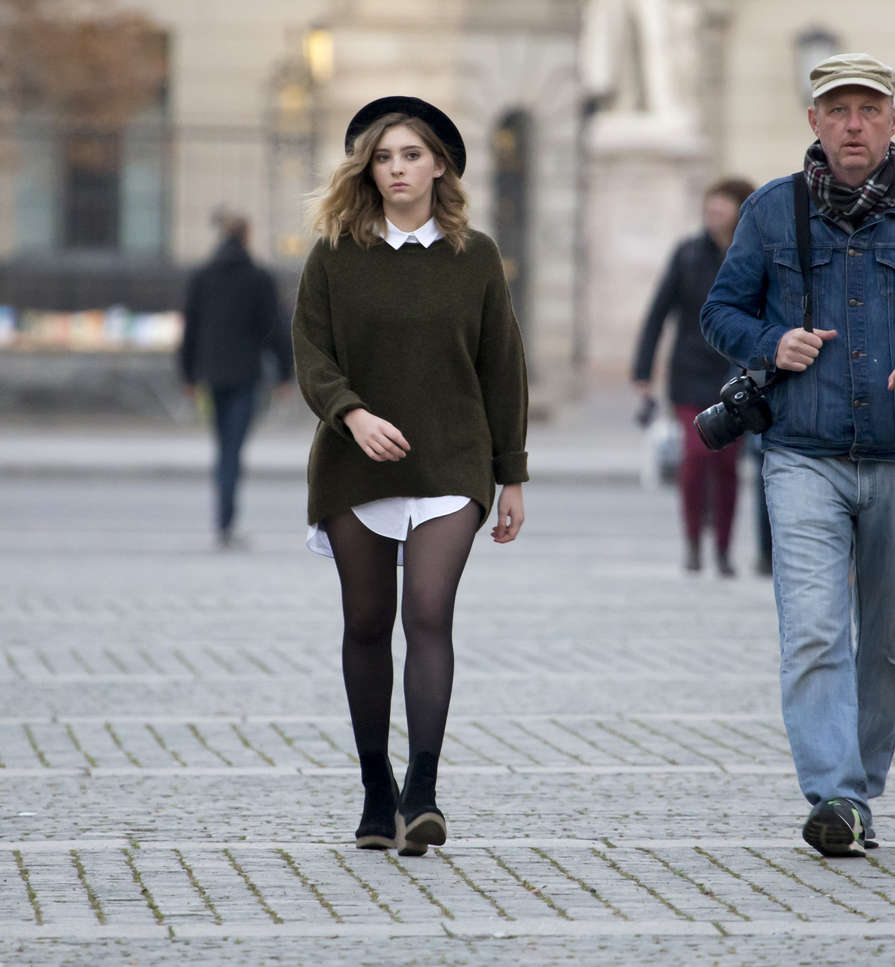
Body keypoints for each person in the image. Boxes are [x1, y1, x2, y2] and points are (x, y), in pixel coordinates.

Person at [701, 52, 895, 857]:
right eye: (837, 110)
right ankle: (836, 793)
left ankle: (857, 787)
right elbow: (721, 312)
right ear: (815, 122)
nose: (853, 124)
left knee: (891, 644)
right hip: (803, 454)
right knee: (814, 632)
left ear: (894, 120)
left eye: (867, 110)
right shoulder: (771, 211)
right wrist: (771, 341)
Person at [292, 96, 528, 856]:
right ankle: (375, 791)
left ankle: (421, 793)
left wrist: (512, 475)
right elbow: (311, 356)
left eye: (411, 156)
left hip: (453, 461)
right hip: (353, 463)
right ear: (368, 170)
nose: (397, 169)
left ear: (439, 168)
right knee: (366, 623)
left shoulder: (475, 256)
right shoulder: (334, 254)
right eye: (384, 158)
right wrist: (353, 415)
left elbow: (503, 369)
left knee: (428, 614)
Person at [632, 177, 756, 575]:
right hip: (688, 372)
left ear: (739, 210)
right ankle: (692, 542)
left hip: (735, 375)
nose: (714, 212)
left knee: (726, 464)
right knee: (696, 457)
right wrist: (643, 371)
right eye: (710, 205)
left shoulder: (751, 253)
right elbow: (658, 313)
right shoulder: (687, 253)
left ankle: (722, 548)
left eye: (722, 205)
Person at [178, 212, 293, 549]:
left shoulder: (202, 276)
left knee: (224, 446)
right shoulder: (258, 278)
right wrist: (285, 374)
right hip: (246, 375)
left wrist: (188, 375)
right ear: (247, 237)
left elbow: (190, 330)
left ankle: (224, 520)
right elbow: (275, 328)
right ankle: (225, 523)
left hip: (211, 375)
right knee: (232, 448)